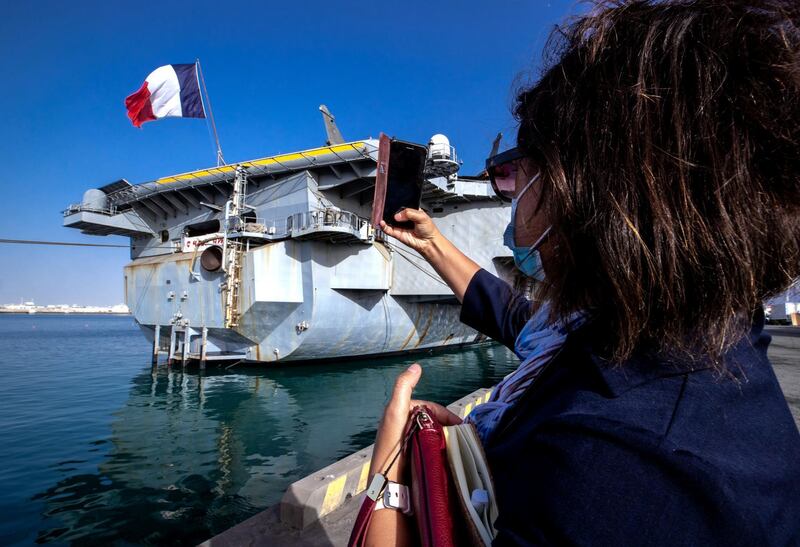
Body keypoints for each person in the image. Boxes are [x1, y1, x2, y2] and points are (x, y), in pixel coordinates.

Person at [363, 0, 800, 545]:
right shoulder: (686, 334)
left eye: (514, 174)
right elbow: (523, 320)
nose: (511, 196)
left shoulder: (621, 465)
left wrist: (388, 479)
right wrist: (431, 243)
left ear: (587, 193)